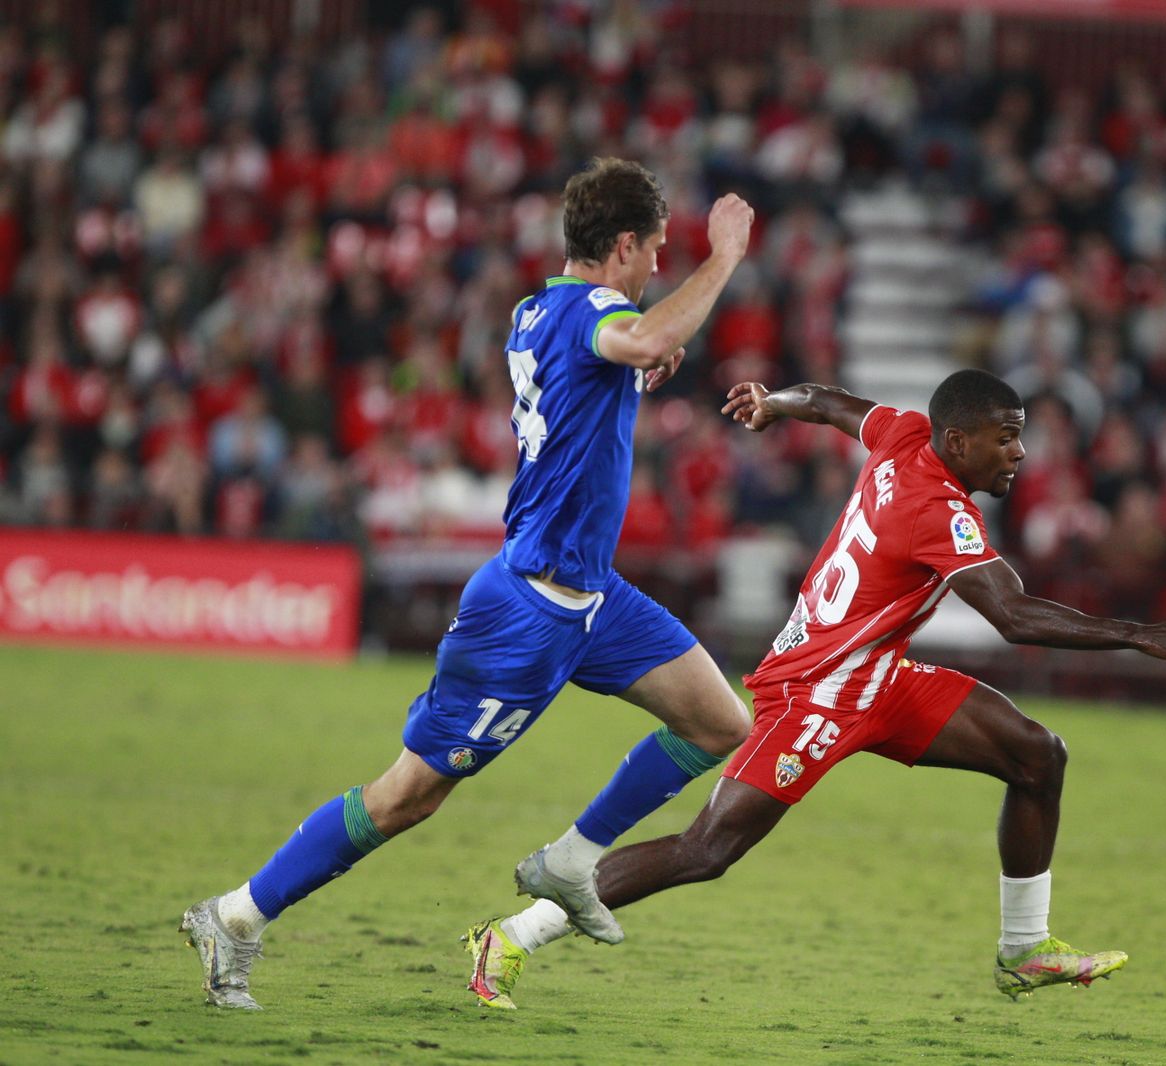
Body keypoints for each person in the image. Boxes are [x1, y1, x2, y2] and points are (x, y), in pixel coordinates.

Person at [463, 370, 1166, 1008]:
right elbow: (1013, 614)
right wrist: (1140, 634)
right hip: (818, 693)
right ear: (959, 442)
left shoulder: (903, 436)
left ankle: (1025, 948)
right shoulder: (937, 509)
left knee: (1038, 756)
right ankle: (510, 935)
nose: (1020, 453)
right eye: (1007, 437)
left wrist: (772, 404)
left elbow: (828, 401)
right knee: (708, 850)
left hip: (880, 679)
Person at [182, 158, 757, 1010]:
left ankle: (571, 858)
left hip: (591, 596)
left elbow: (595, 375)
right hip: (527, 609)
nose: (662, 269)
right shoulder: (600, 312)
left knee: (718, 720)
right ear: (625, 247)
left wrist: (636, 371)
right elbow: (632, 334)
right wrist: (725, 258)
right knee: (409, 795)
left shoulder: (537, 311)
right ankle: (234, 917)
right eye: (660, 253)